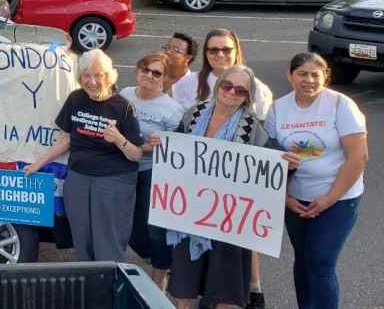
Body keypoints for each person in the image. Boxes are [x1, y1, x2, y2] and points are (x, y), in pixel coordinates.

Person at [170, 28, 272, 308]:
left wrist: (284, 161)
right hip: (188, 210)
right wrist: (162, 144)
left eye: (241, 90)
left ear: (247, 96)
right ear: (219, 87)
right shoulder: (194, 114)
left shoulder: (252, 127)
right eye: (227, 86)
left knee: (225, 289)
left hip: (229, 216)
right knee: (185, 288)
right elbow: (176, 147)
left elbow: (267, 166)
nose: (232, 93)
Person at [266, 53, 367, 309]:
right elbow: (268, 157)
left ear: (325, 77)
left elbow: (358, 156)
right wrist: (285, 198)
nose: (308, 80)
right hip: (295, 200)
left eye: (315, 74)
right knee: (303, 260)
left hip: (338, 199)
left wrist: (329, 199)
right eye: (302, 73)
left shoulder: (340, 105)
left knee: (321, 262)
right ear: (290, 76)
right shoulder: (277, 108)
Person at [25, 49, 144, 262]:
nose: (92, 81)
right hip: (79, 177)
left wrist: (119, 139)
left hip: (113, 180)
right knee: (82, 235)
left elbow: (136, 155)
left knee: (108, 239)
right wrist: (37, 164)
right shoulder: (76, 99)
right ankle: (89, 285)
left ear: (108, 76)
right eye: (86, 76)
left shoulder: (123, 107)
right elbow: (66, 139)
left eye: (98, 75)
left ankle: (109, 284)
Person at [121, 52, 183, 287]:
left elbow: (178, 148)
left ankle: (160, 276)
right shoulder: (125, 95)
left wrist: (155, 145)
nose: (149, 75)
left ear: (165, 79)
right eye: (145, 69)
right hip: (124, 168)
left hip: (153, 172)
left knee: (155, 228)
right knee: (132, 229)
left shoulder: (173, 109)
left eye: (156, 73)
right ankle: (154, 256)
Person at [172, 29, 272, 117]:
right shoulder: (186, 83)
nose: (220, 55)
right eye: (213, 50)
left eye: (227, 50)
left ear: (236, 52)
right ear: (206, 53)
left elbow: (261, 121)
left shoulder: (256, 87)